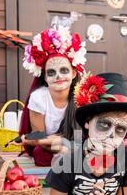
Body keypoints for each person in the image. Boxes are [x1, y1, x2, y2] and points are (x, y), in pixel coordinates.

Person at [18, 22, 87, 166]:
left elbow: (80, 136)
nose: (58, 76)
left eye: (64, 70)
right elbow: (38, 138)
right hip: (48, 146)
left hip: (75, 143)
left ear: (73, 73)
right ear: (45, 77)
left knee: (85, 149)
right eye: (51, 72)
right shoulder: (38, 98)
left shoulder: (81, 97)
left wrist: (64, 143)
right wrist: (63, 146)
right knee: (39, 154)